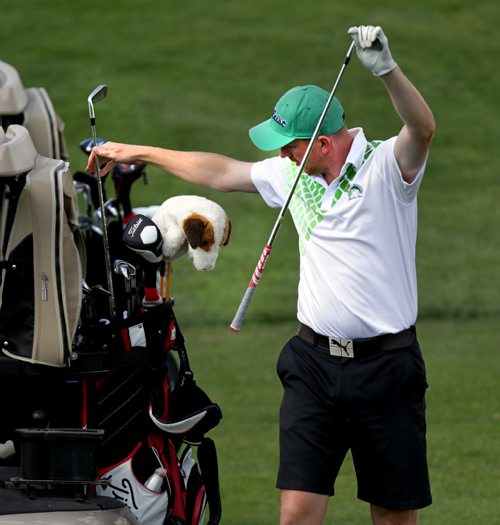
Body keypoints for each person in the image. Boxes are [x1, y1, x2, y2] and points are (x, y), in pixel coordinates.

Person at [87, 25, 435, 525]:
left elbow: (422, 129)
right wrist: (137, 152)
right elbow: (220, 172)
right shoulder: (293, 172)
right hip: (313, 364)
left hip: (387, 369)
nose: (280, 156)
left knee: (393, 516)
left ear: (322, 142)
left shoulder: (387, 167)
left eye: (289, 145)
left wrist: (385, 69)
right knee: (295, 514)